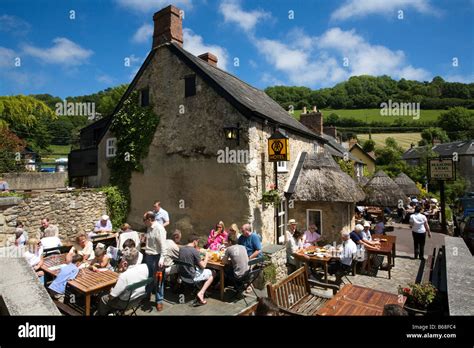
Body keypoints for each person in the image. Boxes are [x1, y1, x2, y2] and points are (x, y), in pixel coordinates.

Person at [97, 248, 149, 316]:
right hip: (138, 299)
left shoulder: (124, 276)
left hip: (124, 303)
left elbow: (112, 297)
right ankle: (113, 312)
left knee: (103, 298)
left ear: (125, 262)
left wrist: (111, 290)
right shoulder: (145, 267)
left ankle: (101, 314)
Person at [178, 234, 214, 306]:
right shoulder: (194, 251)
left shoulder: (181, 249)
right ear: (194, 242)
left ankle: (201, 289)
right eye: (197, 242)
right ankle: (201, 293)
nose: (197, 244)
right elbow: (203, 266)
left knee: (200, 270)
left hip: (183, 275)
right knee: (212, 273)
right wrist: (206, 256)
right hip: (192, 277)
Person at [142, 211, 167, 311]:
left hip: (156, 257)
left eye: (144, 220)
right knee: (148, 277)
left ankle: (159, 300)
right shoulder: (149, 227)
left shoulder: (159, 228)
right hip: (148, 255)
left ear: (149, 219)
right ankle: (147, 295)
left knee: (158, 279)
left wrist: (162, 258)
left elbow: (163, 245)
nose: (143, 222)